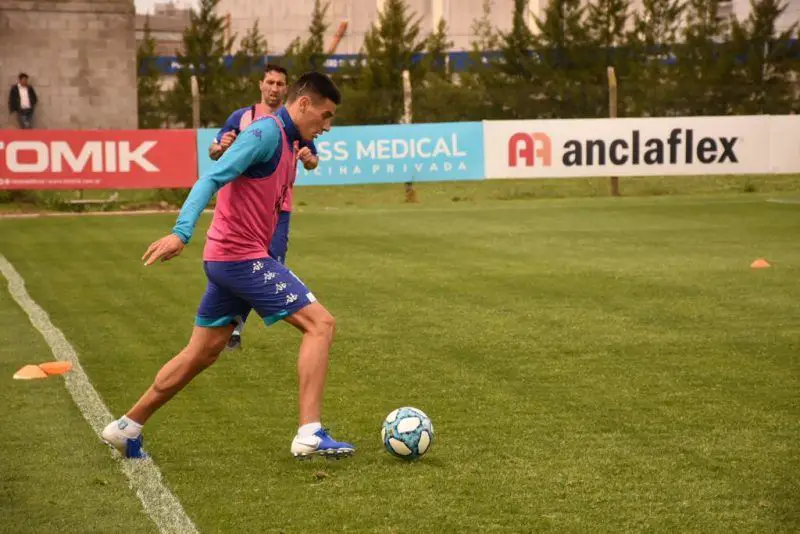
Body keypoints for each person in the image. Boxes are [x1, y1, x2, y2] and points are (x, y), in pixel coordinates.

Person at [100, 72, 354, 460]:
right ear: (303, 104)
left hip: (235, 260)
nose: (326, 125)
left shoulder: (289, 141)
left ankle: (127, 426)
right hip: (238, 258)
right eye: (325, 115)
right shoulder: (266, 133)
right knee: (321, 324)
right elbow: (211, 178)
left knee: (202, 352)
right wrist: (181, 233)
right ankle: (310, 433)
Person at [211, 64, 319, 351]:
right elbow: (214, 153)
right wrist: (221, 147)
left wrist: (308, 158)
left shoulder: (296, 123)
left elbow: (312, 160)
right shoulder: (242, 117)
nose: (274, 88)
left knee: (270, 264)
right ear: (261, 85)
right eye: (270, 82)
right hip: (244, 210)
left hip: (280, 208)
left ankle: (234, 322)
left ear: (287, 89)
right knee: (250, 265)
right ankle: (234, 324)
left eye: (280, 84)